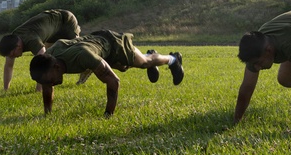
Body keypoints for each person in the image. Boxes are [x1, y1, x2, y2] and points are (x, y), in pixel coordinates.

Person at [29, 30, 183, 116]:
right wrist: (47, 114)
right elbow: (47, 87)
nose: (49, 84)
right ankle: (151, 55)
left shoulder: (83, 56)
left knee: (144, 62)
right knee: (124, 67)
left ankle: (173, 59)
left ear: (56, 67)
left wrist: (108, 114)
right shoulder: (49, 60)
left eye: (50, 80)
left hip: (112, 43)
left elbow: (113, 82)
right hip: (97, 47)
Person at [0, 9, 83, 91]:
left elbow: (44, 64)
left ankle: (86, 69)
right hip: (52, 31)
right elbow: (8, 66)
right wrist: (6, 89)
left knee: (77, 50)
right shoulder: (12, 41)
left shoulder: (31, 39)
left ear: (18, 46)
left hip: (66, 20)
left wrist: (39, 90)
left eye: (12, 54)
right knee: (52, 53)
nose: (12, 57)